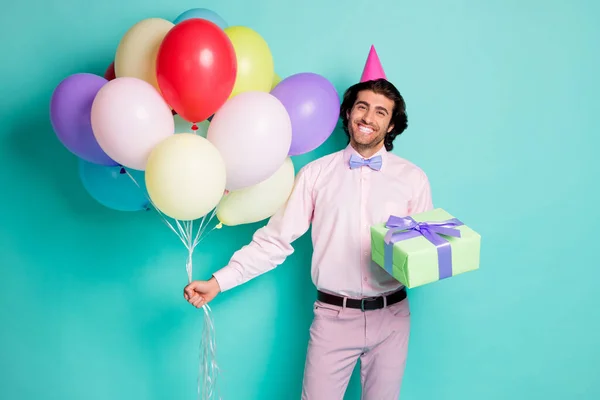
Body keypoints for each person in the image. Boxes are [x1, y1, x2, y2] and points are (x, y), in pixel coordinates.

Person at [184, 78, 434, 399]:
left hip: (393, 316)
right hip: (334, 317)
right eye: (362, 107)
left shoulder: (413, 179)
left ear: (392, 125)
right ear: (347, 114)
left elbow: (423, 252)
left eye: (381, 112)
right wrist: (219, 281)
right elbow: (274, 241)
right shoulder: (315, 175)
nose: (368, 118)